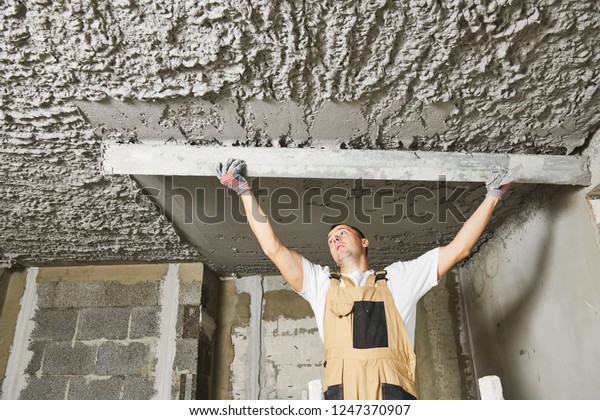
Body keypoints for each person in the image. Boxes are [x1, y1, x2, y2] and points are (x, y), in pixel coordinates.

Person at [216, 158, 513, 400]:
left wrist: (493, 196)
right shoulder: (320, 284)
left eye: (342, 233)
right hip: (341, 395)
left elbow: (459, 249)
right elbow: (274, 248)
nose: (335, 240)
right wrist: (244, 192)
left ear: (364, 242)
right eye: (331, 239)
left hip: (393, 396)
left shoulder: (399, 280)